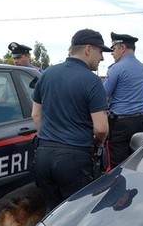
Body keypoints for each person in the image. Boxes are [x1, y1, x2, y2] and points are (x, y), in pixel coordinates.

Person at [31, 28, 112, 211]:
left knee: (52, 213)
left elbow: (35, 115)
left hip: (43, 156)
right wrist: (98, 146)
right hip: (74, 159)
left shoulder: (47, 74)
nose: (102, 58)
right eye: (100, 52)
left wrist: (50, 136)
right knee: (76, 215)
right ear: (88, 49)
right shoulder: (92, 81)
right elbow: (101, 129)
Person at [103, 32, 143, 168]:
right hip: (141, 122)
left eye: (114, 49)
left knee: (118, 165)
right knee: (135, 162)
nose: (112, 53)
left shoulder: (116, 69)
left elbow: (103, 94)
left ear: (122, 48)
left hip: (121, 124)